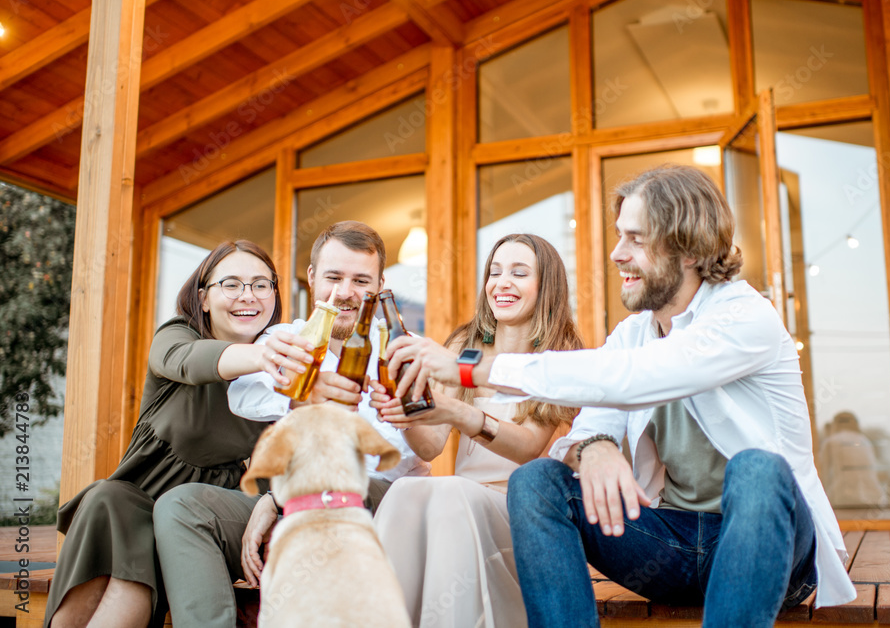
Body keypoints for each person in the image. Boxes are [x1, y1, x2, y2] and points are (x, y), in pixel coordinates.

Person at [384, 165, 856, 628]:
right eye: (618, 236)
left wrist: (469, 369)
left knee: (756, 468)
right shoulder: (632, 333)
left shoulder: (745, 316)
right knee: (537, 481)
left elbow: (637, 377)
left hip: (772, 549)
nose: (616, 254)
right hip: (669, 544)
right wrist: (597, 448)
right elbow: (591, 424)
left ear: (687, 247)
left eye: (635, 238)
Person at [150, 221, 430, 627]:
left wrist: (277, 500)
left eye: (360, 280)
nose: (345, 292)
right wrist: (304, 392)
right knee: (181, 505)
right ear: (313, 277)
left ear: (380, 284)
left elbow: (431, 448)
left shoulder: (405, 348)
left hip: (381, 502)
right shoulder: (284, 339)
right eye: (334, 277)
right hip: (295, 502)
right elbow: (245, 396)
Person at [45, 240, 285, 628]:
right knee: (108, 497)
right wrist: (266, 357)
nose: (248, 296)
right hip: (139, 498)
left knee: (152, 538)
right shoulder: (178, 336)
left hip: (203, 515)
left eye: (261, 284)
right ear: (204, 298)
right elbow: (188, 363)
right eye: (232, 284)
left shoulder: (280, 377)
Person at [370, 234, 583, 628]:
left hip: (522, 515)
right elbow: (431, 447)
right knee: (407, 488)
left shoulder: (561, 355)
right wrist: (407, 415)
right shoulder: (465, 345)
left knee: (450, 492)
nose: (502, 282)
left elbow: (528, 449)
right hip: (458, 505)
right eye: (495, 272)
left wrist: (454, 411)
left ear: (547, 286)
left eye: (519, 273)